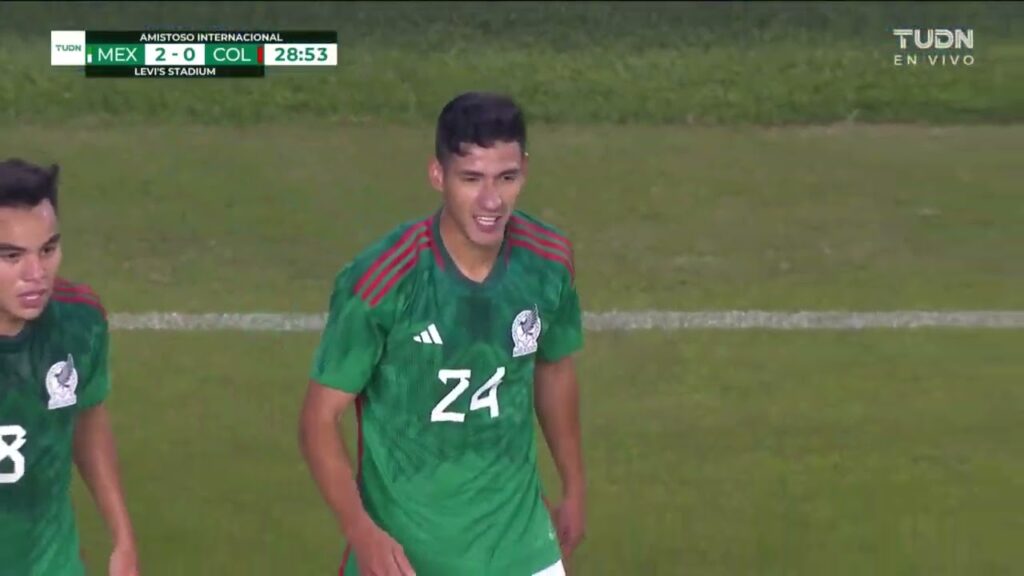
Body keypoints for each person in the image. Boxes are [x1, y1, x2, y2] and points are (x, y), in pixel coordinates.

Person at [300, 92, 586, 576]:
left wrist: (574, 486)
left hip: (521, 550)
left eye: (506, 178)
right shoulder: (383, 281)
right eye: (471, 179)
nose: (491, 201)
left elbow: (554, 369)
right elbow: (318, 420)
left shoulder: (548, 261)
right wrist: (361, 532)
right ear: (438, 175)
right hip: (408, 558)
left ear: (525, 170)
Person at [0, 159, 139, 576]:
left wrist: (123, 537)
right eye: (12, 256)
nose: (36, 274)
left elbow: (87, 419)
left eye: (48, 250)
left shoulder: (79, 323)